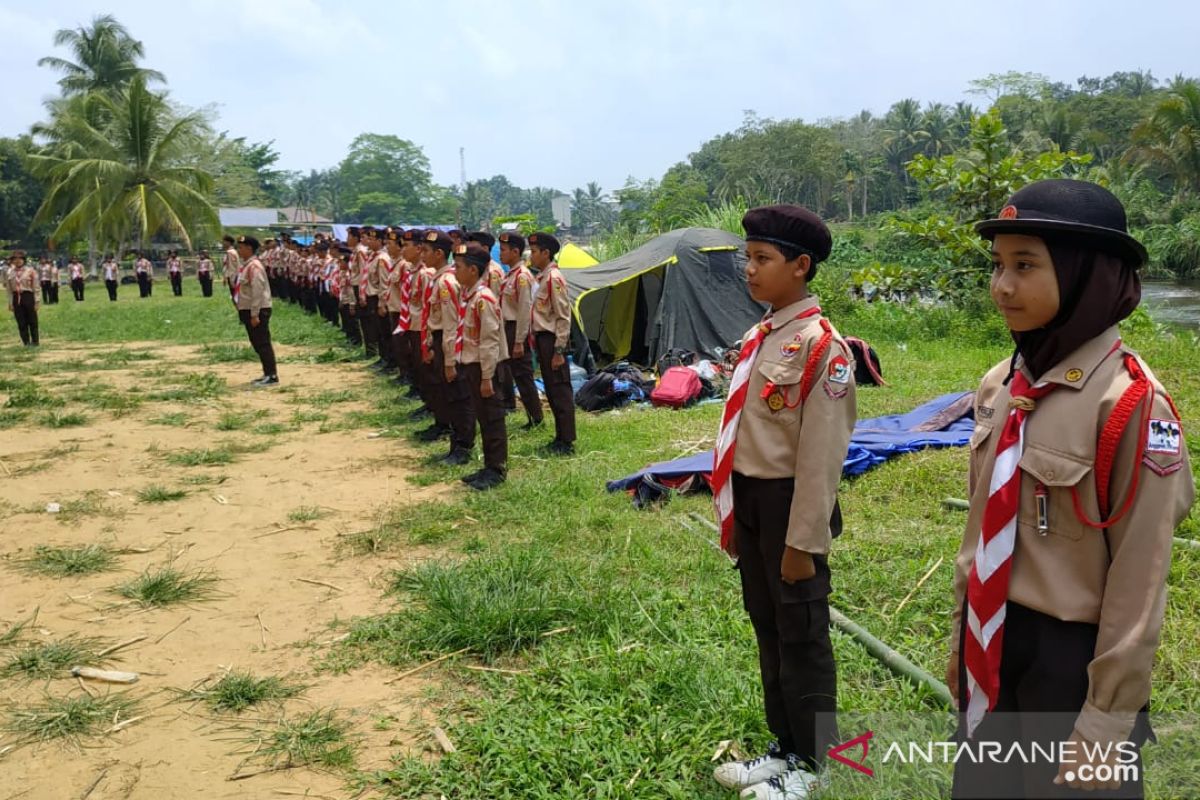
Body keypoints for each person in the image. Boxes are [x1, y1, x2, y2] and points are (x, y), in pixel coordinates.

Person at [946, 180, 1195, 800]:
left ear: (1090, 275)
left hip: (1072, 664)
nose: (1001, 286)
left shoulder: (1132, 403)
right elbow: (979, 533)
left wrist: (1104, 724)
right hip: (995, 638)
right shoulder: (1000, 384)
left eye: (1025, 265)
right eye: (998, 265)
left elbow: (1140, 581)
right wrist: (961, 641)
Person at [711, 205, 856, 800]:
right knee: (768, 626)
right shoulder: (762, 333)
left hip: (789, 507)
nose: (750, 269)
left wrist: (802, 542)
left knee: (801, 632)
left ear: (801, 267)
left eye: (762, 259)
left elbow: (821, 463)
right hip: (750, 501)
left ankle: (816, 762)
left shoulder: (824, 349)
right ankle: (786, 745)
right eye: (748, 257)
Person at [453, 242, 509, 490]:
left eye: (459, 267)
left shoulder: (483, 299)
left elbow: (489, 340)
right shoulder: (471, 296)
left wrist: (487, 377)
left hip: (485, 366)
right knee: (484, 417)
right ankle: (489, 465)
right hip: (474, 364)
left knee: (492, 417)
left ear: (473, 271)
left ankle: (497, 469)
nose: (455, 271)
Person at [418, 229, 471, 454]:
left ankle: (462, 444)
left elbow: (451, 325)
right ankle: (452, 434)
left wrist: (450, 360)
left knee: (456, 395)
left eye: (426, 251)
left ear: (439, 254)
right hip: (440, 340)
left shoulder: (446, 282)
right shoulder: (438, 279)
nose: (422, 255)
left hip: (448, 343)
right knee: (446, 392)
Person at [527, 233, 576, 455]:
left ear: (546, 253)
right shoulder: (542, 278)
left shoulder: (553, 278)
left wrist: (559, 350)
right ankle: (560, 436)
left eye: (535, 251)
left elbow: (563, 316)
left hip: (552, 340)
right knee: (552, 389)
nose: (531, 255)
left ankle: (566, 440)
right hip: (542, 339)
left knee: (560, 390)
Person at [497, 232, 543, 427]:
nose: (500, 254)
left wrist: (519, 340)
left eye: (504, 250)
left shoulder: (522, 277)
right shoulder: (511, 275)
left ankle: (536, 418)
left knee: (523, 376)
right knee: (516, 373)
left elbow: (525, 310)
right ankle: (532, 416)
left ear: (516, 252)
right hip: (508, 327)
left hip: (517, 328)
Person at [233, 235, 278, 386]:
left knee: (262, 342)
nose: (239, 250)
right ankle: (267, 373)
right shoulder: (246, 265)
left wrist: (255, 314)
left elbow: (257, 290)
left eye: (241, 247)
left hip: (257, 309)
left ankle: (271, 375)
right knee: (257, 342)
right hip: (248, 309)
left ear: (249, 248)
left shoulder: (254, 266)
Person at [7, 251, 39, 346]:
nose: (17, 261)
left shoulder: (30, 271)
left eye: (20, 259)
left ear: (23, 260)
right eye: (15, 259)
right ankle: (26, 342)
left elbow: (36, 287)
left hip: (28, 296)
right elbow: (9, 290)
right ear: (12, 261)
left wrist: (37, 301)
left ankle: (35, 341)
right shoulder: (9, 272)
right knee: (21, 321)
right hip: (16, 297)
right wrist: (10, 303)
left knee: (32, 320)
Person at [222, 235, 240, 301]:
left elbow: (231, 267)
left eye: (224, 242)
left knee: (235, 297)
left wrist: (232, 280)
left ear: (228, 242)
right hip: (233, 276)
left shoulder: (230, 252)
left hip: (233, 276)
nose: (223, 243)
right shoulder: (232, 251)